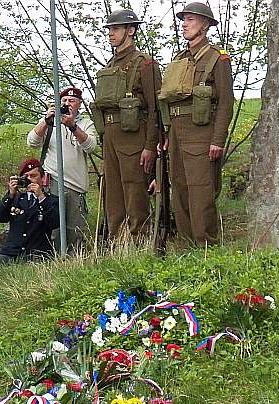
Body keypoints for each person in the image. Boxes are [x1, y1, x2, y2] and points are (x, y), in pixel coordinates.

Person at [157, 2, 234, 246]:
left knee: (201, 191)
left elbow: (225, 103)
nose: (184, 24)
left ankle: (206, 246)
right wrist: (169, 133)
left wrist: (217, 140)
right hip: (178, 133)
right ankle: (187, 244)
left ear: (205, 24)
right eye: (183, 20)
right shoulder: (179, 58)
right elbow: (169, 99)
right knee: (179, 188)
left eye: (190, 20)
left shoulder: (217, 58)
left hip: (202, 134)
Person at [92, 8, 162, 240]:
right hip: (110, 136)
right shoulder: (111, 64)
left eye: (116, 28)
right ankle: (117, 243)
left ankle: (138, 243)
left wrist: (151, 146)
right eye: (110, 29)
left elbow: (155, 109)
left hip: (133, 136)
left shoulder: (144, 64)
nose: (110, 34)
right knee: (112, 193)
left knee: (134, 192)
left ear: (130, 30)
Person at [27, 86, 97, 255]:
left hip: (76, 184)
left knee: (75, 229)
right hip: (53, 181)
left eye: (71, 101)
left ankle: (75, 263)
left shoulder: (86, 123)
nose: (67, 104)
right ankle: (53, 260)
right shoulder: (50, 123)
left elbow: (91, 146)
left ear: (79, 104)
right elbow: (32, 142)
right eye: (64, 101)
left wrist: (73, 126)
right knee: (54, 227)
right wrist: (46, 120)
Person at [0, 159, 60, 266]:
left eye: (34, 176)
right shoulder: (16, 199)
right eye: (26, 177)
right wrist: (10, 195)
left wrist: (41, 197)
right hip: (11, 252)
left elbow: (55, 222)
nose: (30, 180)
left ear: (42, 177)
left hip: (37, 253)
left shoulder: (50, 200)